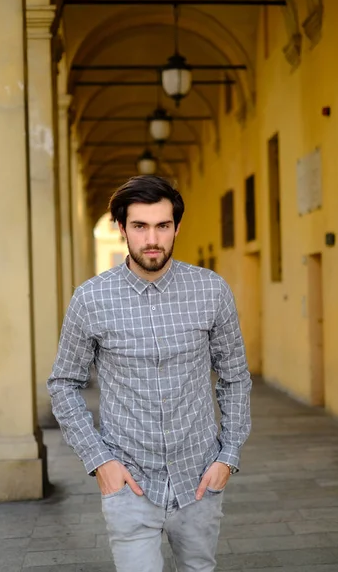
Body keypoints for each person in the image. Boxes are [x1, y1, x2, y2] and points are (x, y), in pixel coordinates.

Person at [47, 175, 252, 572]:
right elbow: (64, 383)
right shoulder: (90, 299)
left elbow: (235, 377)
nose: (152, 238)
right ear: (122, 228)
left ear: (177, 227)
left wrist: (228, 457)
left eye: (163, 225)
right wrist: (100, 462)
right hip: (128, 478)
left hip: (199, 477)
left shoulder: (211, 290)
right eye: (139, 226)